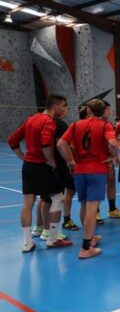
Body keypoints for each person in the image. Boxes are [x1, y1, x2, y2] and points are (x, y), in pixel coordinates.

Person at [8, 94, 72, 252]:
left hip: (28, 166)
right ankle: (53, 239)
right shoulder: (49, 122)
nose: (65, 108)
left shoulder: (31, 119)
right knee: (57, 198)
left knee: (27, 202)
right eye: (63, 105)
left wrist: (23, 157)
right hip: (42, 166)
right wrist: (50, 160)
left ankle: (27, 242)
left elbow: (12, 140)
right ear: (55, 106)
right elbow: (45, 143)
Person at [57, 99, 120, 259]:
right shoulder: (105, 126)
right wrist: (115, 156)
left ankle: (89, 237)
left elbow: (61, 144)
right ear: (102, 111)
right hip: (97, 170)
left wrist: (70, 160)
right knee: (93, 207)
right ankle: (86, 248)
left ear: (89, 111)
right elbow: (112, 142)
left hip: (79, 170)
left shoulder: (76, 125)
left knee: (84, 204)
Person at [55, 104, 79, 232]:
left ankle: (43, 227)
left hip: (54, 164)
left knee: (48, 197)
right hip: (64, 165)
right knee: (67, 193)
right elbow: (65, 145)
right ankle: (65, 220)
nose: (66, 109)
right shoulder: (64, 126)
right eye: (65, 106)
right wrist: (70, 160)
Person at [102, 101, 120, 220]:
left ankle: (111, 209)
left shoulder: (108, 124)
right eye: (107, 109)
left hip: (105, 160)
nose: (109, 112)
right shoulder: (105, 125)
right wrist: (118, 150)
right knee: (100, 185)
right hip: (100, 161)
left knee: (110, 184)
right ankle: (96, 211)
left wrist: (114, 156)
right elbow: (111, 143)